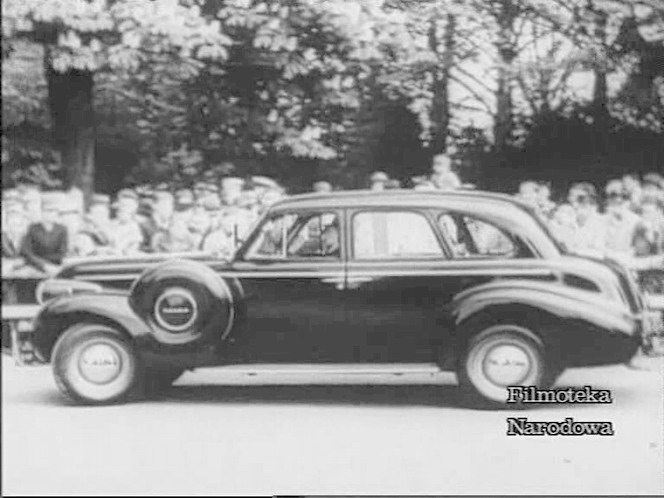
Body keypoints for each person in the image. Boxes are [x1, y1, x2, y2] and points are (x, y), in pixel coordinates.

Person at [20, 193, 68, 276]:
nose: (50, 214)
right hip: (36, 266)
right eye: (46, 211)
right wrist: (43, 265)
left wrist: (51, 265)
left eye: (53, 211)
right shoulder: (33, 228)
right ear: (42, 212)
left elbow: (62, 252)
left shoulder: (62, 229)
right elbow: (26, 252)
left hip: (56, 267)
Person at [604, 180, 641, 256]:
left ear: (629, 200)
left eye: (624, 196)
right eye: (613, 196)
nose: (618, 200)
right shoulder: (599, 221)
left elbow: (637, 250)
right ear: (607, 199)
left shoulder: (637, 222)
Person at [568, 182, 607, 256]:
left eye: (581, 199)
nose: (575, 204)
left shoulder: (600, 223)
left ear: (591, 200)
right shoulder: (566, 220)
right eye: (572, 198)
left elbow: (599, 251)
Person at [108, 189, 143, 255]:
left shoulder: (141, 226)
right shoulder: (110, 225)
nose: (125, 208)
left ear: (135, 207)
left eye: (128, 206)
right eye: (123, 205)